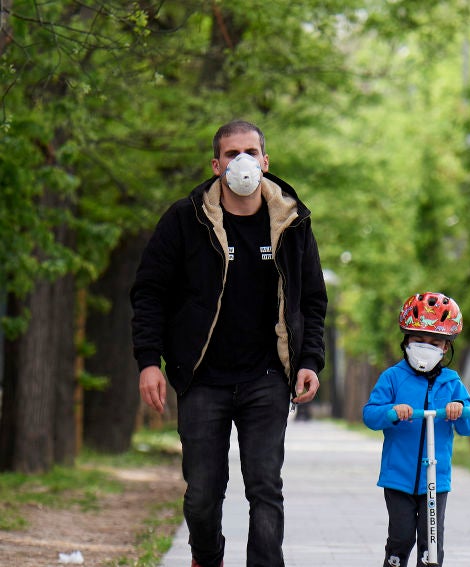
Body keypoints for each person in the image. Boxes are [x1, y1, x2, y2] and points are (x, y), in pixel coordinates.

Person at [130, 120, 327, 567]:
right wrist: (148, 361)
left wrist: (309, 360)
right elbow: (150, 292)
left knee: (264, 486)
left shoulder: (293, 222)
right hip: (202, 378)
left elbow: (312, 300)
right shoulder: (185, 219)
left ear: (265, 161)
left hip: (267, 378)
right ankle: (206, 557)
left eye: (251, 152)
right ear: (217, 164)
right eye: (232, 153)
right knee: (202, 493)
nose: (243, 161)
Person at [363, 292, 470, 567]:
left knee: (432, 543)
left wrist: (459, 411)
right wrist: (392, 412)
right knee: (401, 538)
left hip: (435, 479)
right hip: (398, 478)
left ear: (446, 347)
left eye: (434, 342)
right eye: (418, 340)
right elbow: (370, 414)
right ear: (405, 340)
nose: (425, 347)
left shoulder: (451, 382)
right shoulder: (392, 377)